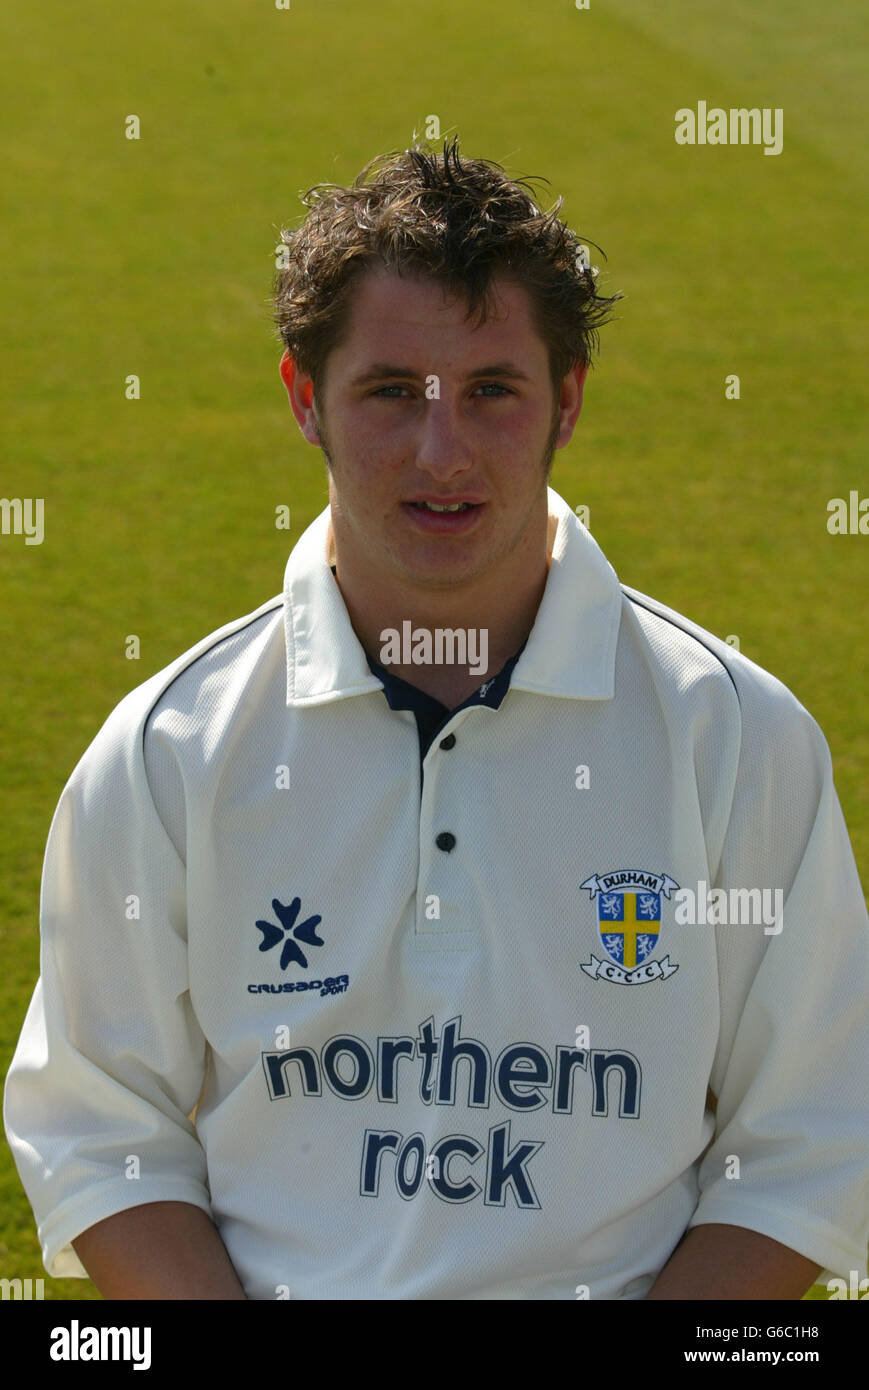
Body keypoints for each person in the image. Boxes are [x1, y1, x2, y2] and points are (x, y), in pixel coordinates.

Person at [4, 138, 868, 1301]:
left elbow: (806, 1142)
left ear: (566, 401)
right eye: (388, 392)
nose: (441, 452)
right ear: (304, 399)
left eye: (491, 392)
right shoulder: (168, 750)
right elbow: (101, 1126)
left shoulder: (732, 737)